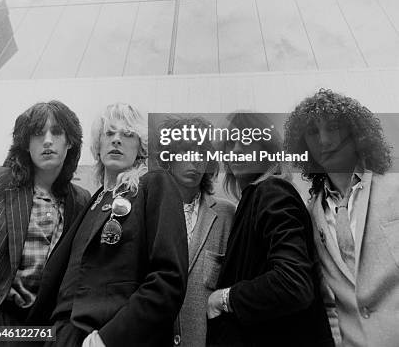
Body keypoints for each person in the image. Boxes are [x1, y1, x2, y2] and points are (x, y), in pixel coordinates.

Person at [29, 103, 188, 347]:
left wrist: (110, 338)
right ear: (98, 144)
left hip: (108, 337)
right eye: (109, 133)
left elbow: (168, 279)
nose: (116, 140)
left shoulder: (155, 184)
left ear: (141, 145)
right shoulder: (93, 200)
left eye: (127, 134)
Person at [206, 112, 334, 347]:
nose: (234, 151)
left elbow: (293, 283)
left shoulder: (272, 192)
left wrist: (223, 298)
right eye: (229, 144)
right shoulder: (252, 200)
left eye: (244, 141)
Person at [284, 88, 399, 347]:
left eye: (333, 127)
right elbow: (330, 303)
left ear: (355, 132)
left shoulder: (395, 186)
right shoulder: (310, 213)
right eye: (313, 132)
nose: (324, 141)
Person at [0, 100, 90, 327]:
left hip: (46, 326)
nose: (47, 141)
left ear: (70, 142)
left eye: (56, 132)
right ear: (25, 143)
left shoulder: (81, 200)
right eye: (37, 133)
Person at [157, 115, 235, 347]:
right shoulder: (149, 211)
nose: (194, 161)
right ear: (168, 158)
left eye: (201, 153)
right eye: (185, 152)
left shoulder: (226, 214)